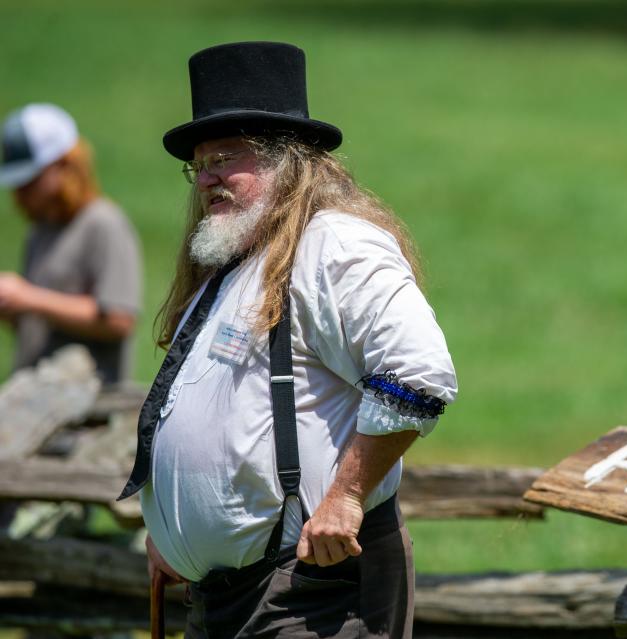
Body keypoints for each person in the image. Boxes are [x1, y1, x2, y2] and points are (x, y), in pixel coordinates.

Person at [118, 42, 457, 639]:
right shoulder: (232, 264)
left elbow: (418, 373)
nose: (208, 179)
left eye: (226, 158)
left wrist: (347, 497)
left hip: (311, 593)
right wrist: (176, 534)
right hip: (233, 596)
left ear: (287, 160)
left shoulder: (333, 245)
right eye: (200, 165)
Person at [0, 103, 142, 384]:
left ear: (65, 165)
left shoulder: (103, 223)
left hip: (89, 410)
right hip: (37, 394)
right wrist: (13, 309)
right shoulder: (40, 230)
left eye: (30, 180)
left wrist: (28, 297)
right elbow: (43, 323)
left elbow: (119, 319)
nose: (19, 193)